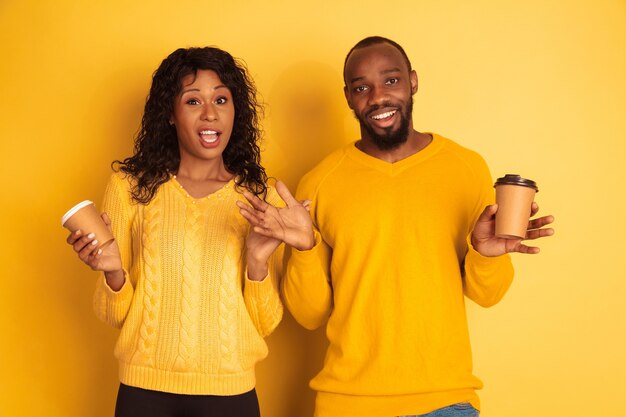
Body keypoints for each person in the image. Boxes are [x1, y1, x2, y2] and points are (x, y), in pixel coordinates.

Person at [237, 36, 555, 417]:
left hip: (445, 401)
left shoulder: (465, 168)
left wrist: (485, 254)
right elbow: (309, 315)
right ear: (348, 97)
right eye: (362, 88)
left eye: (391, 80)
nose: (377, 97)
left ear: (413, 81)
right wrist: (305, 248)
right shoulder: (320, 181)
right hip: (347, 404)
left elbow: (487, 295)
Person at [66, 47, 287, 417]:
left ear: (237, 111)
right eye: (192, 101)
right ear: (169, 114)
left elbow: (265, 322)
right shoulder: (129, 188)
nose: (210, 113)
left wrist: (258, 261)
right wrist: (113, 274)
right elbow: (113, 315)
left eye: (221, 99)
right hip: (144, 394)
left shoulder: (260, 199)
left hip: (231, 396)